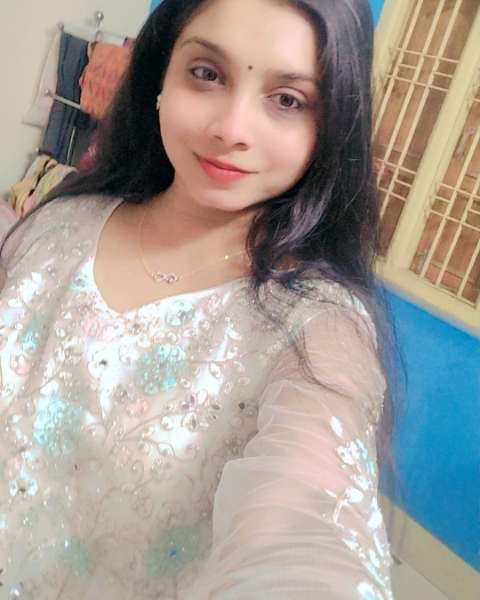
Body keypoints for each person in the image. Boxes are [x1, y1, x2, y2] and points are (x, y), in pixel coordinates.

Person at [0, 0, 398, 598]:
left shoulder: (318, 327)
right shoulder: (60, 222)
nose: (232, 128)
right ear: (161, 74)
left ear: (330, 128)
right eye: (207, 74)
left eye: (288, 100)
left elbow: (309, 521)